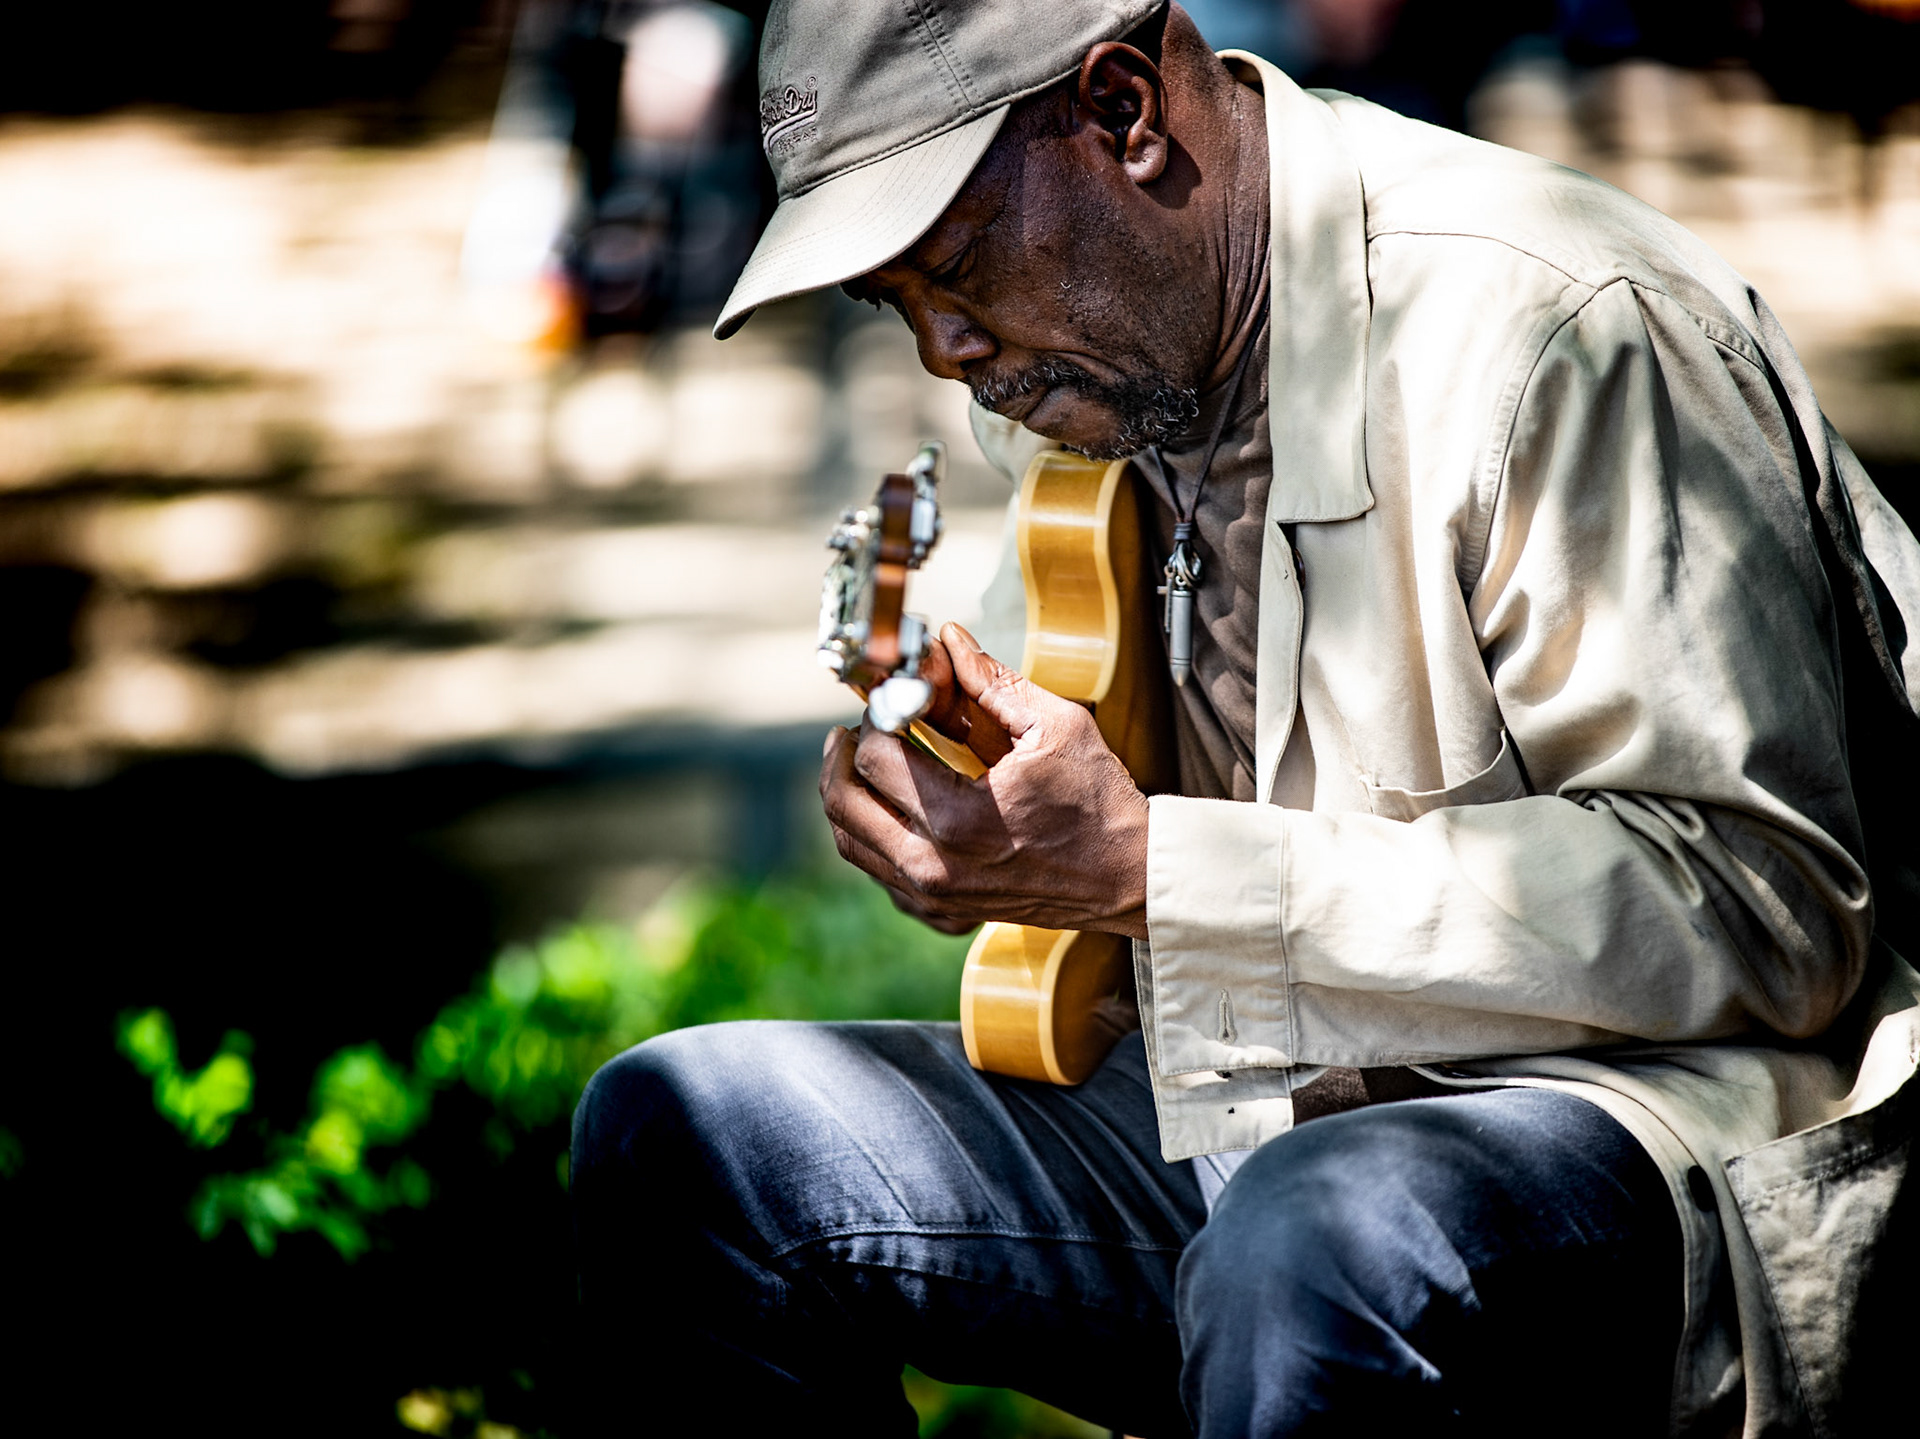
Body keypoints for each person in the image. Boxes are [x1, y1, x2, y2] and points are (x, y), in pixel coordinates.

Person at [570, 3, 1920, 1434]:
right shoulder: (1090, 369)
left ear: (1124, 115)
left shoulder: (1557, 326)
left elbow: (1766, 908)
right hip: (1269, 1124)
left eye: (953, 266)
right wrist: (987, 819)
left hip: (1668, 1145)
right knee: (686, 1142)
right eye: (892, 301)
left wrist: (1145, 866)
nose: (944, 352)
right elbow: (1105, 778)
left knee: (1316, 1242)